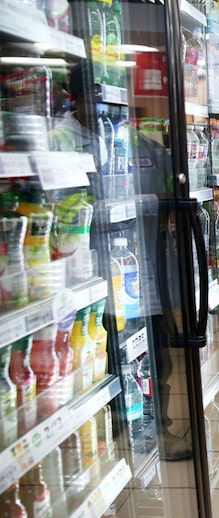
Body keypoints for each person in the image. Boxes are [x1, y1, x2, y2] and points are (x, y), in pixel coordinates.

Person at [54, 61, 192, 461]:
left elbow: (171, 193)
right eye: (99, 97)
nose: (110, 108)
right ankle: (109, 435)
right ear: (78, 97)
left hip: (139, 270)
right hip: (89, 275)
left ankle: (155, 427)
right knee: (105, 356)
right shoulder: (61, 141)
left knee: (155, 354)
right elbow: (63, 214)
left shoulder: (135, 143)